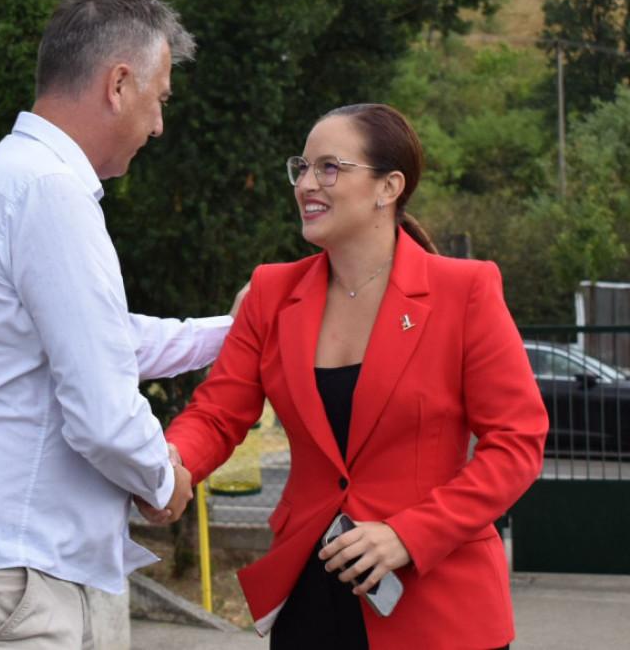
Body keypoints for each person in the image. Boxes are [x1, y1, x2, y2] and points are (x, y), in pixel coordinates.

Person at [0, 0, 243, 649]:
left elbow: (103, 340)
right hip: (5, 574)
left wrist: (237, 331)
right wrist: (162, 478)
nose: (159, 126)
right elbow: (103, 412)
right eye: (159, 99)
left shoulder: (22, 178)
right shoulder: (49, 191)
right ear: (118, 84)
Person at [162, 103, 549, 649]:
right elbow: (217, 414)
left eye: (329, 168)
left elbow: (517, 443)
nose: (305, 184)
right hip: (310, 596)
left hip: (438, 604)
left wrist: (407, 534)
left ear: (388, 187)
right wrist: (171, 463)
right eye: (301, 167)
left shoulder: (465, 291)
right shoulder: (270, 293)